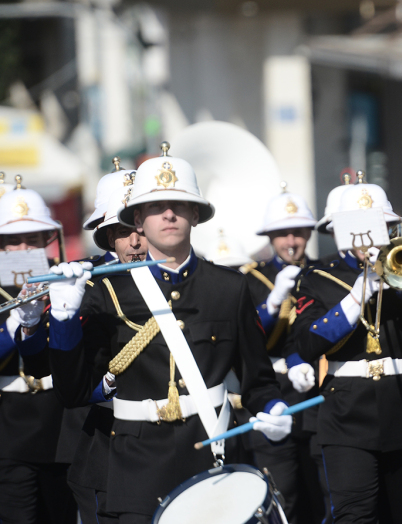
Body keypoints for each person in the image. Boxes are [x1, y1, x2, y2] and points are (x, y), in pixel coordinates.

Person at [47, 142, 292, 523]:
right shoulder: (108, 291)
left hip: (213, 458)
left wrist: (272, 407)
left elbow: (257, 379)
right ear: (138, 220)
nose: (168, 214)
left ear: (195, 214)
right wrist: (62, 320)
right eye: (155, 207)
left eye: (179, 205)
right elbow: (73, 391)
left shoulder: (229, 287)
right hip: (134, 470)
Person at [285, 181, 402, 523]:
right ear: (341, 232)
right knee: (354, 515)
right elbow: (307, 344)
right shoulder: (317, 276)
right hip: (346, 412)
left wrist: (397, 282)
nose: (367, 237)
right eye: (357, 229)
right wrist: (355, 299)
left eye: (377, 226)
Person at [65, 161, 146, 524]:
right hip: (108, 444)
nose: (135, 240)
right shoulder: (90, 285)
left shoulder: (185, 279)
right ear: (107, 234)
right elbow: (74, 379)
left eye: (141, 227)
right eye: (123, 229)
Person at [240, 182, 324, 523]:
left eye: (299, 232)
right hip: (272, 392)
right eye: (283, 234)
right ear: (270, 237)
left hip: (317, 390)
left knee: (321, 497)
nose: (292, 241)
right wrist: (274, 301)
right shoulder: (251, 278)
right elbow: (246, 336)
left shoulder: (323, 273)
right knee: (280, 496)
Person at [0, 176, 77, 524]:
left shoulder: (68, 281)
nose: (23, 251)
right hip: (9, 425)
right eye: (12, 242)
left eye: (33, 240)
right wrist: (17, 322)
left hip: (61, 423)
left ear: (50, 239)